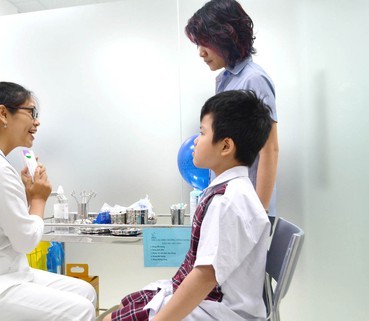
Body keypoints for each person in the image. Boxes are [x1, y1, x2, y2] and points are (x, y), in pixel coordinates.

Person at [104, 90, 272, 321]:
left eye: (202, 132)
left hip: (216, 311)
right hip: (209, 303)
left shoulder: (227, 201)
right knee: (114, 312)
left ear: (225, 147)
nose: (195, 140)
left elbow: (205, 276)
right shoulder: (231, 191)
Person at [0, 81, 97, 321]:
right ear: (3, 114)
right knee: (81, 309)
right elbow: (26, 241)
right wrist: (38, 200)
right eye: (32, 113)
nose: (37, 122)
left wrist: (24, 196)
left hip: (4, 275)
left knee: (86, 292)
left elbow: (6, 222)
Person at [185, 0, 279, 218]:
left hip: (248, 211)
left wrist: (259, 215)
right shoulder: (227, 80)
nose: (201, 53)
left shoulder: (253, 80)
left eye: (205, 43)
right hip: (231, 204)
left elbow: (270, 149)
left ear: (225, 37)